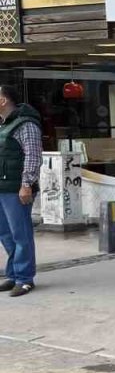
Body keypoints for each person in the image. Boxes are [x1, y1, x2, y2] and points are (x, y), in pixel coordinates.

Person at [0, 85, 42, 297]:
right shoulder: (3, 125)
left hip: (16, 188)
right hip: (2, 186)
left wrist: (26, 184)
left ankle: (25, 278)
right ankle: (14, 273)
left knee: (20, 233)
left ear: (3, 101)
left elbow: (33, 156)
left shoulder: (25, 125)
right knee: (5, 233)